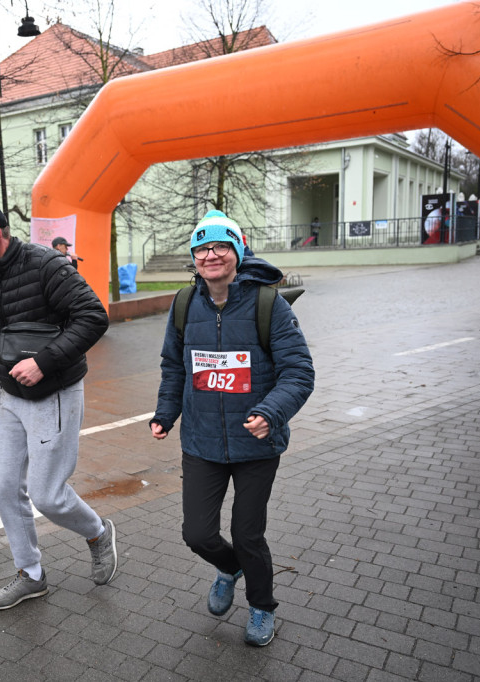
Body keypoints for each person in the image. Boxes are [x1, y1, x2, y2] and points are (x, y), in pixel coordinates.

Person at [0, 200, 118, 610]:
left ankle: (97, 532)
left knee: (47, 495)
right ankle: (31, 574)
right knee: (4, 490)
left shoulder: (47, 266)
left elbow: (93, 316)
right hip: (10, 398)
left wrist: (44, 361)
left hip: (54, 394)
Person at [150, 210, 314, 646]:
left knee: (247, 532)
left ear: (237, 251)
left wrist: (270, 413)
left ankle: (262, 607)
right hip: (201, 441)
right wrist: (165, 414)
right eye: (202, 247)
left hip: (256, 444)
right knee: (197, 533)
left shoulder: (268, 303)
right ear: (194, 257)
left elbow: (298, 372)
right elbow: (174, 366)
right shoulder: (185, 304)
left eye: (221, 245)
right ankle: (229, 567)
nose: (211, 255)